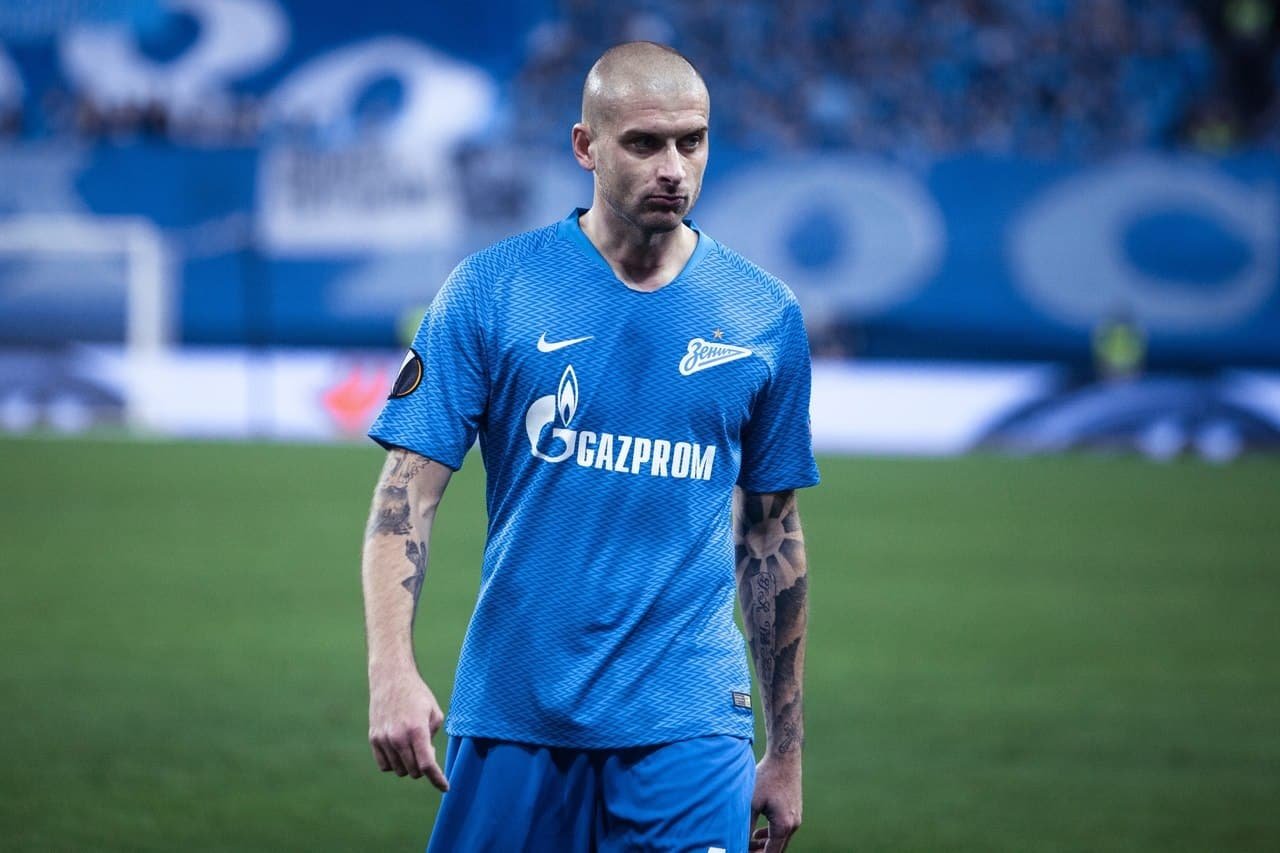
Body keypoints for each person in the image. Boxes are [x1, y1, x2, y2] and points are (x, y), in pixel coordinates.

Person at [361, 41, 819, 853]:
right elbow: (406, 495)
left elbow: (770, 536)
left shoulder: (764, 315)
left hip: (692, 718)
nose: (672, 167)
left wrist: (785, 750)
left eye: (691, 141)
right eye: (644, 143)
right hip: (517, 709)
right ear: (586, 146)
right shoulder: (492, 289)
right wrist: (390, 669)